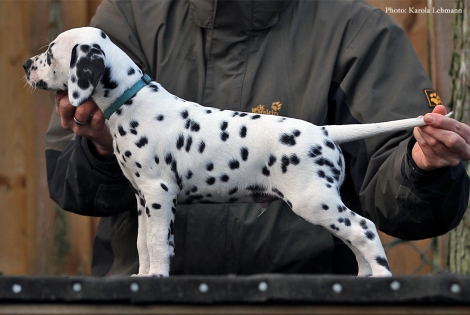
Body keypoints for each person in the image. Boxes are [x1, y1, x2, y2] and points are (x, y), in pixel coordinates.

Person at [47, 0, 470, 276]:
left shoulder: (357, 32)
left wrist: (420, 166)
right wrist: (102, 144)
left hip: (306, 312)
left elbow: (408, 203)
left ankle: (373, 264)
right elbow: (67, 182)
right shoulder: (126, 21)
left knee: (317, 204)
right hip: (151, 314)